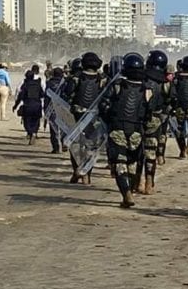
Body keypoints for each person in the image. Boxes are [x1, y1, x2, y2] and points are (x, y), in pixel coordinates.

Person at [100, 53, 151, 208]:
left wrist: (108, 121)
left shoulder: (116, 85)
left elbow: (103, 105)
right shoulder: (147, 89)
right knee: (132, 162)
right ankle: (133, 188)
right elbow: (148, 112)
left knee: (119, 162)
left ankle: (126, 194)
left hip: (117, 128)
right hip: (136, 130)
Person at [63, 54, 103, 184]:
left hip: (76, 116)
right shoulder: (103, 79)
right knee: (91, 146)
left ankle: (77, 171)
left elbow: (67, 94)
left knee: (75, 145)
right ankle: (87, 174)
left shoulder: (75, 78)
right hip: (95, 117)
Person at [138, 50, 173, 195]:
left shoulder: (141, 78)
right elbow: (171, 101)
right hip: (156, 121)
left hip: (138, 120)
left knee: (137, 152)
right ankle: (149, 183)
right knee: (150, 153)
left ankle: (137, 181)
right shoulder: (166, 83)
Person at [14, 70, 44, 144]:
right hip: (37, 106)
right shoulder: (38, 84)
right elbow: (42, 94)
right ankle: (34, 133)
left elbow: (20, 96)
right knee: (36, 121)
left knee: (27, 122)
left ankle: (30, 133)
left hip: (28, 106)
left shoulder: (25, 85)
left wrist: (15, 105)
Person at [44, 67, 66, 153]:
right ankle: (64, 142)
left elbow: (46, 97)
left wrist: (45, 109)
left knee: (53, 128)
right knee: (64, 127)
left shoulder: (49, 83)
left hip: (51, 108)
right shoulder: (65, 82)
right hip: (63, 108)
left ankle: (56, 148)